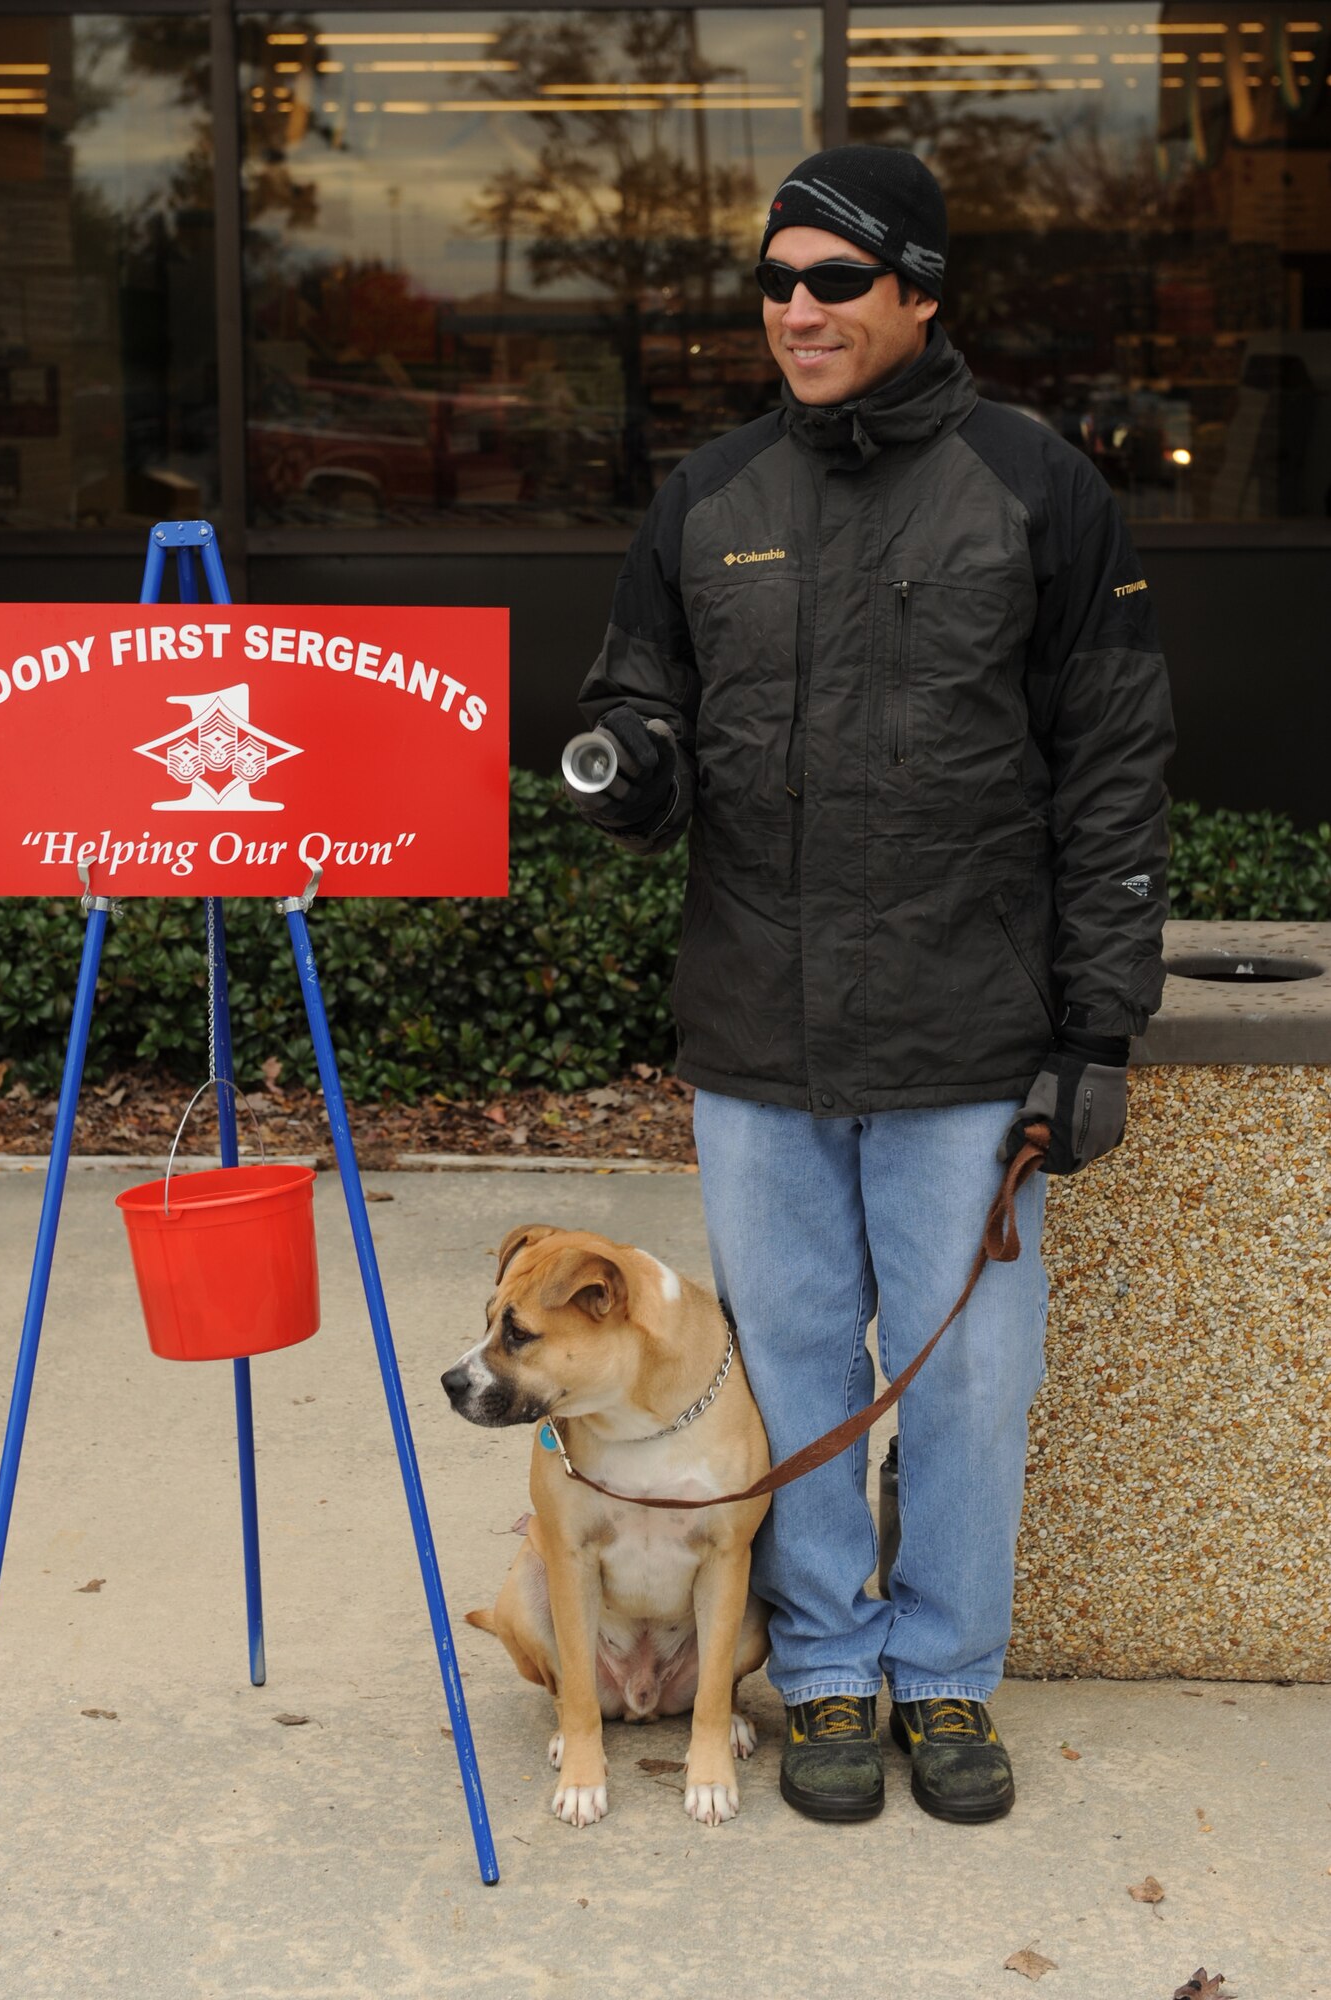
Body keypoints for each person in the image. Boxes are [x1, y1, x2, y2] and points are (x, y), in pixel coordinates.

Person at [565, 145, 1175, 1826]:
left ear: (917, 292)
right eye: (772, 280)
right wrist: (632, 765)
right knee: (795, 1363)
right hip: (756, 1030)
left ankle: (947, 1677)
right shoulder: (706, 499)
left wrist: (1092, 1028)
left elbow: (1113, 770)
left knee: (968, 1374)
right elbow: (646, 698)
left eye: (834, 279)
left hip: (968, 1034)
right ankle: (825, 1669)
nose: (796, 309)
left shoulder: (1037, 488)